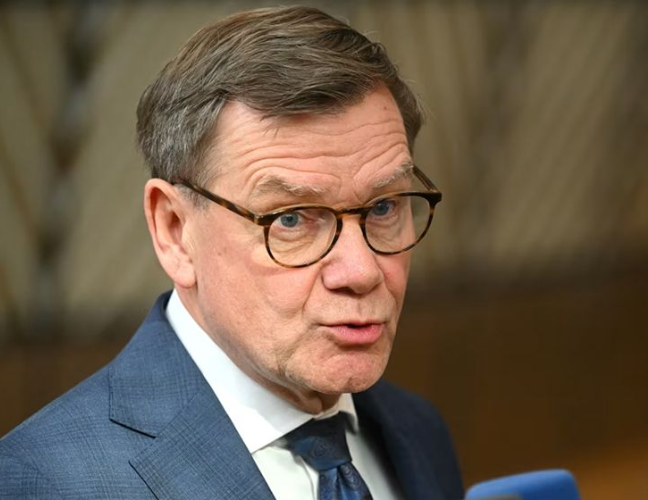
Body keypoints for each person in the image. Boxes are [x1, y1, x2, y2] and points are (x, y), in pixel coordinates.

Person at [0, 6, 463, 499]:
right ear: (175, 230)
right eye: (291, 218)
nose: (361, 270)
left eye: (385, 206)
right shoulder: (51, 481)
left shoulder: (418, 431)